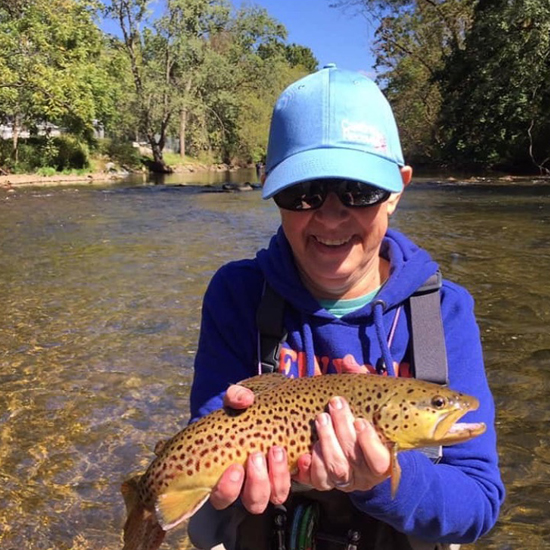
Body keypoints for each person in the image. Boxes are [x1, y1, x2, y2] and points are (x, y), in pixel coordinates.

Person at [188, 64, 504, 550]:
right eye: (303, 193)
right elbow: (206, 444)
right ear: (270, 187)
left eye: (358, 192)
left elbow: (478, 503)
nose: (331, 217)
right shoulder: (238, 294)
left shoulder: (444, 312)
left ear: (398, 189)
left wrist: (380, 478)